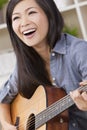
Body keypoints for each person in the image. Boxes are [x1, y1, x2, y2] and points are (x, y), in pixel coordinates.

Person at [0, 0, 87, 130]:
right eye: (16, 17)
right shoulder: (24, 64)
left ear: (49, 14)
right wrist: (7, 125)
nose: (24, 23)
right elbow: (4, 98)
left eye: (31, 12)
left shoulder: (79, 51)